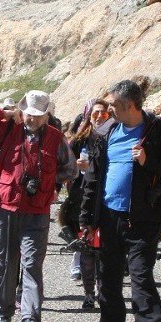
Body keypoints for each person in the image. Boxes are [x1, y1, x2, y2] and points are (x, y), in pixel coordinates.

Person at [79, 79, 161, 322]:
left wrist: (148, 161)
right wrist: (87, 217)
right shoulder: (108, 132)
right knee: (110, 275)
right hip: (109, 216)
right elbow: (93, 177)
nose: (109, 109)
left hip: (144, 217)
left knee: (140, 274)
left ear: (128, 105)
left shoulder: (160, 132)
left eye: (113, 104)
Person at [0, 90, 77, 322]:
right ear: (22, 111)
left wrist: (49, 182)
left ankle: (30, 317)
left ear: (47, 115)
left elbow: (70, 170)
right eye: (29, 114)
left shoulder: (56, 138)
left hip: (37, 212)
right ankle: (4, 311)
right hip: (5, 209)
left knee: (32, 264)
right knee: (5, 264)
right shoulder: (6, 131)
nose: (33, 120)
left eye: (39, 116)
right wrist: (5, 113)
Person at [60, 99, 108, 310]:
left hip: (107, 200)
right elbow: (65, 166)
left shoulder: (113, 137)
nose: (99, 116)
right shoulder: (80, 140)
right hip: (83, 199)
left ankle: (103, 292)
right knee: (88, 249)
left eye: (104, 113)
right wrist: (78, 168)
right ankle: (89, 293)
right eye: (96, 113)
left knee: (105, 251)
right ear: (89, 115)